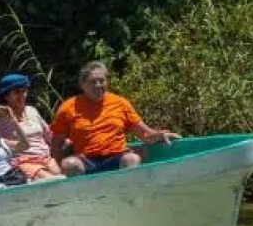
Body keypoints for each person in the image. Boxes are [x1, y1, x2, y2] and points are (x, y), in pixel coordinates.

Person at [50, 61, 178, 175]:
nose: (98, 85)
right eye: (93, 82)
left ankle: (130, 197)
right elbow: (56, 143)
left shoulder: (120, 103)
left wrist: (160, 135)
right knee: (69, 164)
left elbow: (144, 133)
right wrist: (59, 168)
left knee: (132, 159)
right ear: (82, 84)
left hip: (117, 156)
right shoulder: (68, 107)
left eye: (102, 81)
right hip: (86, 159)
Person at [0, 73, 64, 180]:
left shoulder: (32, 110)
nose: (22, 96)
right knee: (52, 180)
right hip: (24, 162)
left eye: (24, 91)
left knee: (65, 175)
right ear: (6, 96)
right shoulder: (1, 119)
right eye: (16, 92)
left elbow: (48, 135)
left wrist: (64, 140)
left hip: (47, 158)